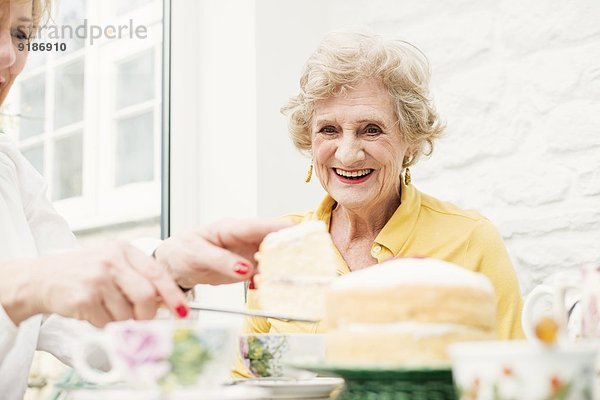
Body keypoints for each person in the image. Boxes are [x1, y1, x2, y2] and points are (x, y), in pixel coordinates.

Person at [0, 1, 290, 398]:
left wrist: (165, 268)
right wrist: (24, 286)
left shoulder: (9, 168)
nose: (9, 55)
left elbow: (91, 333)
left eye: (20, 34)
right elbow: (41, 285)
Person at [242, 32, 524, 342]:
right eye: (329, 130)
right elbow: (247, 371)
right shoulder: (281, 245)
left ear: (411, 143)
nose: (348, 153)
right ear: (309, 140)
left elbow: (512, 374)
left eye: (371, 130)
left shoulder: (470, 239)